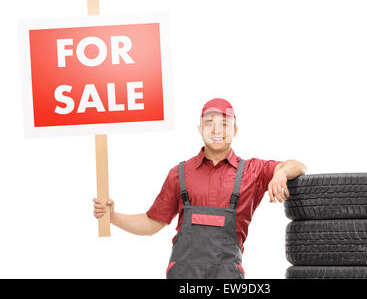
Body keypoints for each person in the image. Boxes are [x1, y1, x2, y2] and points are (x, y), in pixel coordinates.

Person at [93, 98, 307, 279]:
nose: (216, 130)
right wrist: (112, 217)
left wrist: (280, 173)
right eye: (209, 123)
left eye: (224, 124)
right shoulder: (180, 173)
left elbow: (298, 166)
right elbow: (152, 223)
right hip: (183, 275)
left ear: (235, 130)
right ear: (199, 129)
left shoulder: (253, 171)